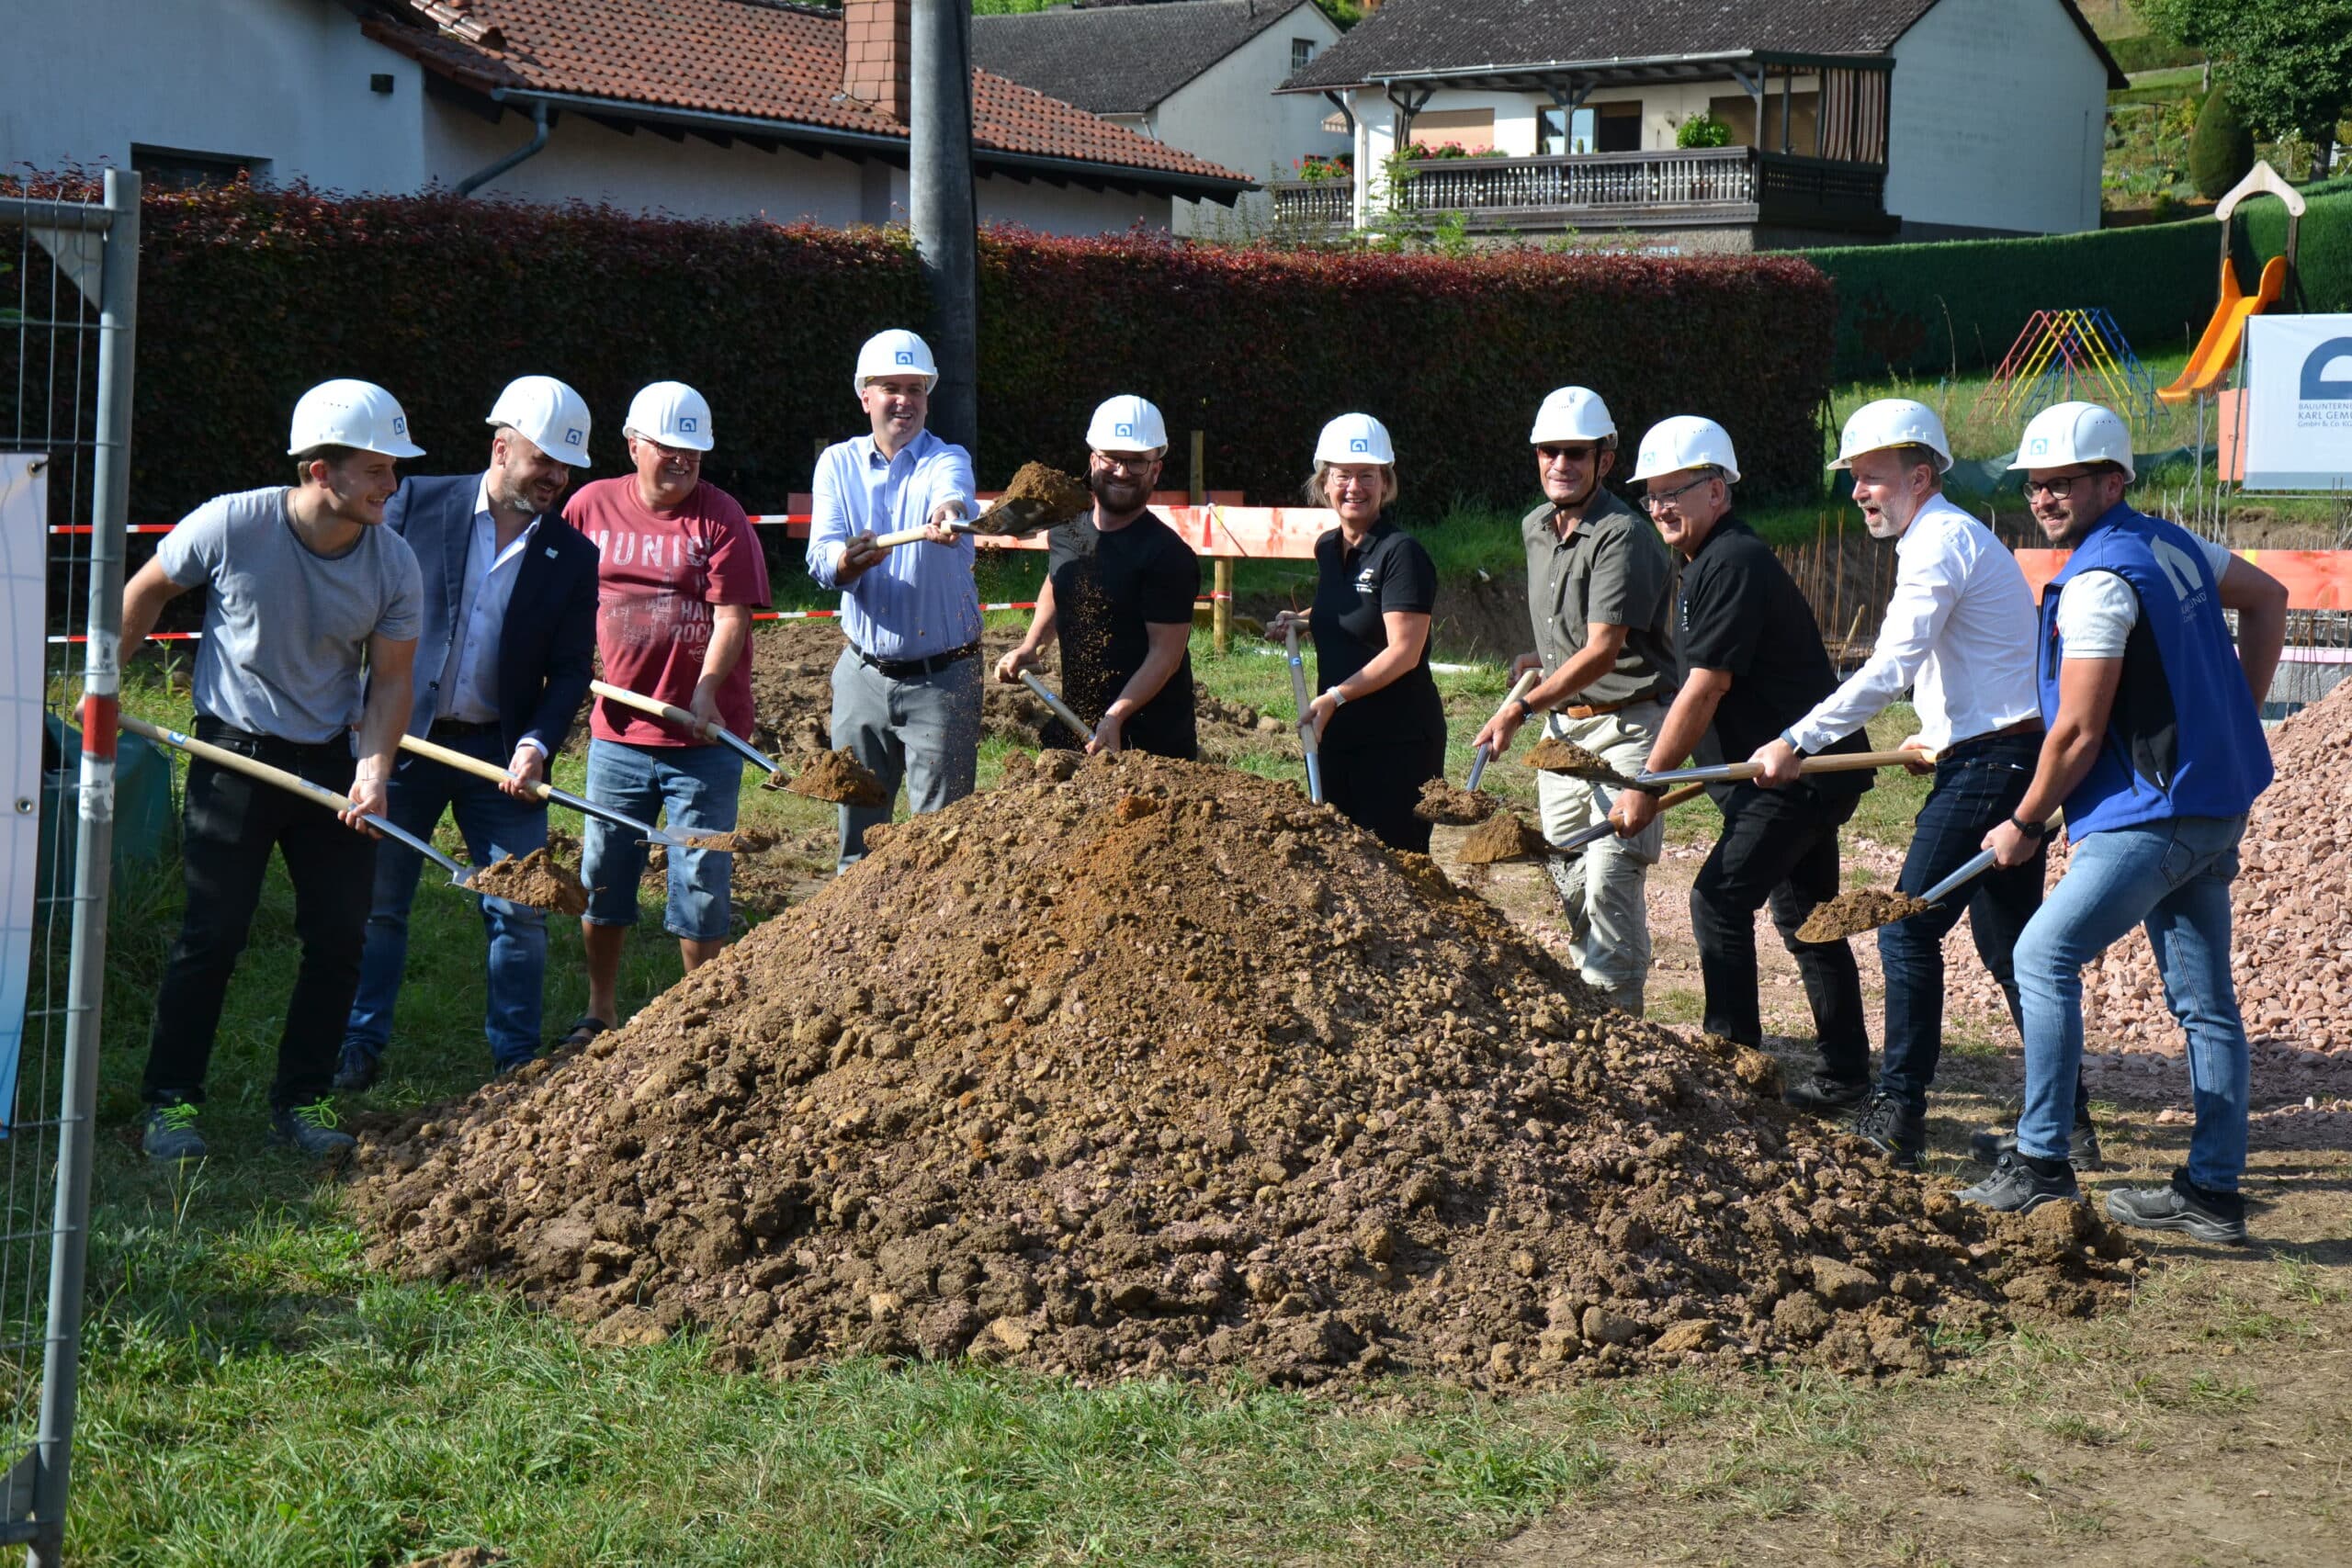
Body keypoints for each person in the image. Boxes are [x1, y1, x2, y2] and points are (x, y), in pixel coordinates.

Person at [1958, 402, 2283, 1242]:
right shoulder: (2171, 544)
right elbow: (2267, 596)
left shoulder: (2100, 581)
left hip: (2153, 813)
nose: (2046, 497)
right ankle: (2211, 1192)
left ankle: (2039, 1163)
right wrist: (2236, 720)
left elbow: (2077, 731)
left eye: (2064, 482)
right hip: (2212, 803)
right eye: (2036, 484)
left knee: (2041, 952)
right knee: (2206, 1002)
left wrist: (2024, 822)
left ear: (2113, 481)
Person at [1742, 399, 2090, 1168]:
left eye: (1871, 477)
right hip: (1996, 752)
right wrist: (1936, 731)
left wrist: (1796, 739)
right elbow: (1963, 658)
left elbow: (1892, 665)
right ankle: (2070, 1119)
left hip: (1995, 762)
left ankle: (1898, 1111)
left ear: (1920, 475)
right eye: (1855, 479)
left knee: (1906, 926)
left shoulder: (1939, 542)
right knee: (2011, 949)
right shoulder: (1945, 538)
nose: (1860, 492)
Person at [121, 379, 425, 1161]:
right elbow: (147, 591)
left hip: (331, 760)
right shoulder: (234, 523)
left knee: (339, 936)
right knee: (212, 935)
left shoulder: (394, 563)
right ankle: (171, 1102)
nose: (391, 486)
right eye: (375, 470)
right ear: (320, 471)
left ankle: (303, 1098)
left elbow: (390, 680)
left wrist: (373, 770)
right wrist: (102, 685)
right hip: (235, 753)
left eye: (394, 469)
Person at [335, 376, 602, 1090]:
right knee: (380, 902)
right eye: (543, 460)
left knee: (519, 910)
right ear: (501, 446)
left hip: (499, 751)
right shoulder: (416, 504)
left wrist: (537, 743)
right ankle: (358, 1044)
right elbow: (357, 598)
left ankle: (516, 1057)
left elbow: (574, 669)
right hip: (404, 740)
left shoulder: (572, 556)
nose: (555, 477)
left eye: (566, 466)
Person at [1610, 417, 1873, 1102]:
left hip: (1799, 772)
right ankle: (1845, 1071)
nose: (1662, 506)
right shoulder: (1704, 564)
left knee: (1717, 899)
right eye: (1652, 495)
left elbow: (1706, 686)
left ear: (1718, 491)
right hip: (1796, 770)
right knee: (1808, 917)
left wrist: (1646, 783)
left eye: (1677, 490)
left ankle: (1732, 1067)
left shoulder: (1731, 562)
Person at [561, 380, 769, 1045]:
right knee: (604, 874)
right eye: (669, 448)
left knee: (701, 880)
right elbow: (557, 596)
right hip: (619, 736)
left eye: (694, 452)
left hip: (704, 741)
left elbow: (731, 615)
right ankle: (600, 1010)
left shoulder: (720, 516)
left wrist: (706, 690)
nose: (683, 461)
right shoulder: (588, 508)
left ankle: (695, 1022)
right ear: (632, 445)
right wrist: (562, 664)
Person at [1473, 387, 1678, 1014]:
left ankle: (1622, 1034)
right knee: (1571, 877)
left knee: (1612, 878)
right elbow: (1571, 637)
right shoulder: (1536, 527)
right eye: (1548, 451)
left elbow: (1604, 650)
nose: (1560, 463)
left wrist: (1521, 707)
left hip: (1626, 729)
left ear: (1604, 460)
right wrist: (1543, 661)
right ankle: (1599, 1004)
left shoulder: (1623, 534)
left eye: (1575, 453)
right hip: (1565, 731)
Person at [807, 329, 983, 873]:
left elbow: (951, 490)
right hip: (862, 676)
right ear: (866, 396)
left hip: (943, 679)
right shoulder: (836, 465)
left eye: (915, 388)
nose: (903, 400)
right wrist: (846, 562)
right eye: (890, 387)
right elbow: (822, 557)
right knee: (857, 842)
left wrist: (948, 511)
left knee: (940, 842)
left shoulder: (947, 459)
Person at [1267, 413, 1443, 853]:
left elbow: (1404, 650)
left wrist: (1334, 697)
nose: (1354, 488)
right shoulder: (1328, 548)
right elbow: (1351, 607)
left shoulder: (1401, 554)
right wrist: (1304, 620)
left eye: (1367, 476)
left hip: (1397, 742)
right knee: (1344, 865)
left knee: (1394, 870)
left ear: (1386, 483)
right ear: (1324, 482)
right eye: (1342, 476)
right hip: (1338, 735)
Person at [995, 395, 1201, 758]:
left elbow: (1165, 656)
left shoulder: (1168, 556)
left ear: (1156, 470)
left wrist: (1116, 716)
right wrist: (1032, 645)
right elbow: (1059, 580)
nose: (1121, 471)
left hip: (1150, 745)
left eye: (1136, 463)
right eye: (1112, 458)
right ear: (1093, 460)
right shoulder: (1065, 529)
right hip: (1076, 725)